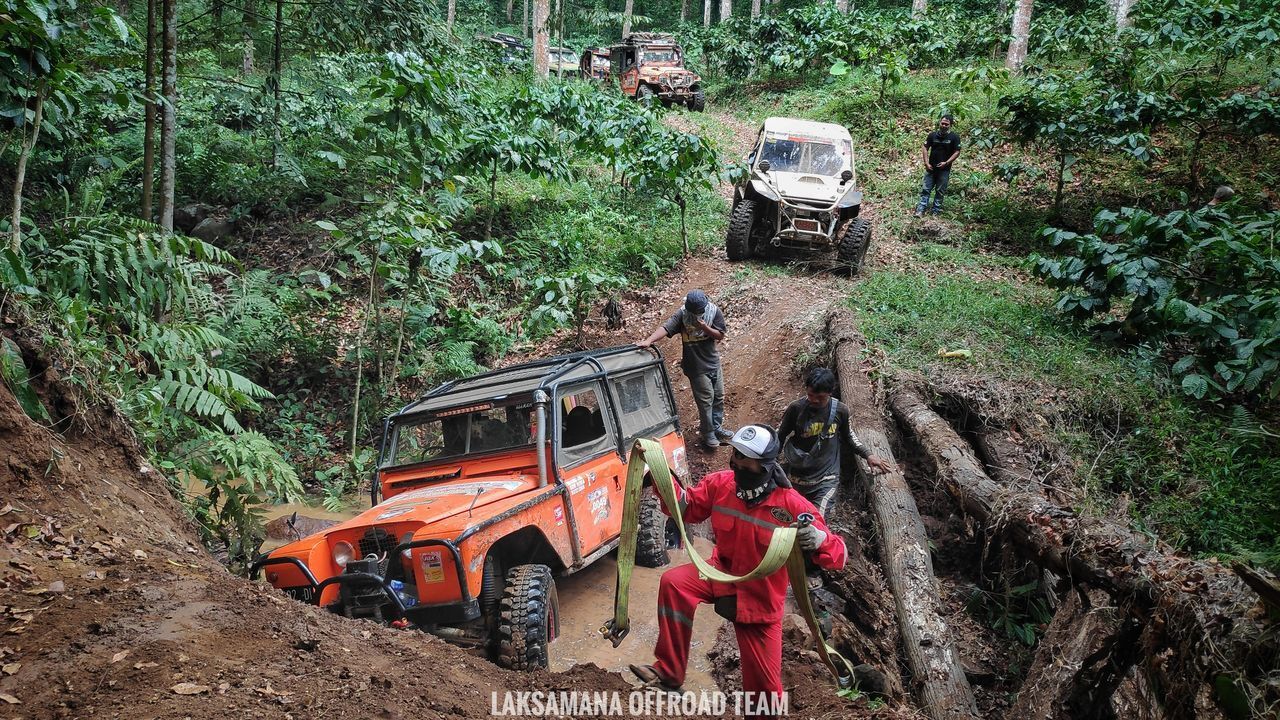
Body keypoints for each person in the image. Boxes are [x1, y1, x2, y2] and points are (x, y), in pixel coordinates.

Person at [629, 424, 846, 712]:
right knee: (674, 583)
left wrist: (818, 540)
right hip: (719, 574)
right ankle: (669, 672)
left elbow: (838, 556)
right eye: (736, 453)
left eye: (746, 457)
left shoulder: (791, 504)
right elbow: (687, 507)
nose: (737, 461)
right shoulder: (721, 484)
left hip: (760, 600)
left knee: (765, 696)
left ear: (765, 464)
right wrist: (659, 470)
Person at [777, 368, 891, 517]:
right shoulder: (796, 408)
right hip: (797, 476)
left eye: (820, 397)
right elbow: (780, 436)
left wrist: (868, 454)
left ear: (830, 392)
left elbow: (848, 436)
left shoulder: (840, 411)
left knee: (817, 521)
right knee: (790, 518)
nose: (814, 400)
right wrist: (770, 463)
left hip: (827, 478)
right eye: (810, 395)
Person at [636, 289, 731, 449]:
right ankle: (708, 433)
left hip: (713, 362)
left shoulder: (714, 311)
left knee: (719, 397)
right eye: (693, 312)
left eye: (699, 311)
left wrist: (705, 327)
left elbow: (720, 335)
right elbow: (666, 328)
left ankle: (717, 427)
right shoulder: (683, 314)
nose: (696, 314)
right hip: (695, 366)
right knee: (706, 400)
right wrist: (649, 340)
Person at [914, 114, 962, 217]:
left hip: (944, 169)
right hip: (931, 168)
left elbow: (957, 152)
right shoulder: (932, 135)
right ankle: (920, 210)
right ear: (939, 123)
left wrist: (947, 162)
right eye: (942, 123)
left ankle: (935, 211)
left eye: (946, 124)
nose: (944, 126)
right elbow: (925, 147)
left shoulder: (954, 137)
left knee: (940, 191)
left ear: (950, 125)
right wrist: (926, 163)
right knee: (926, 189)